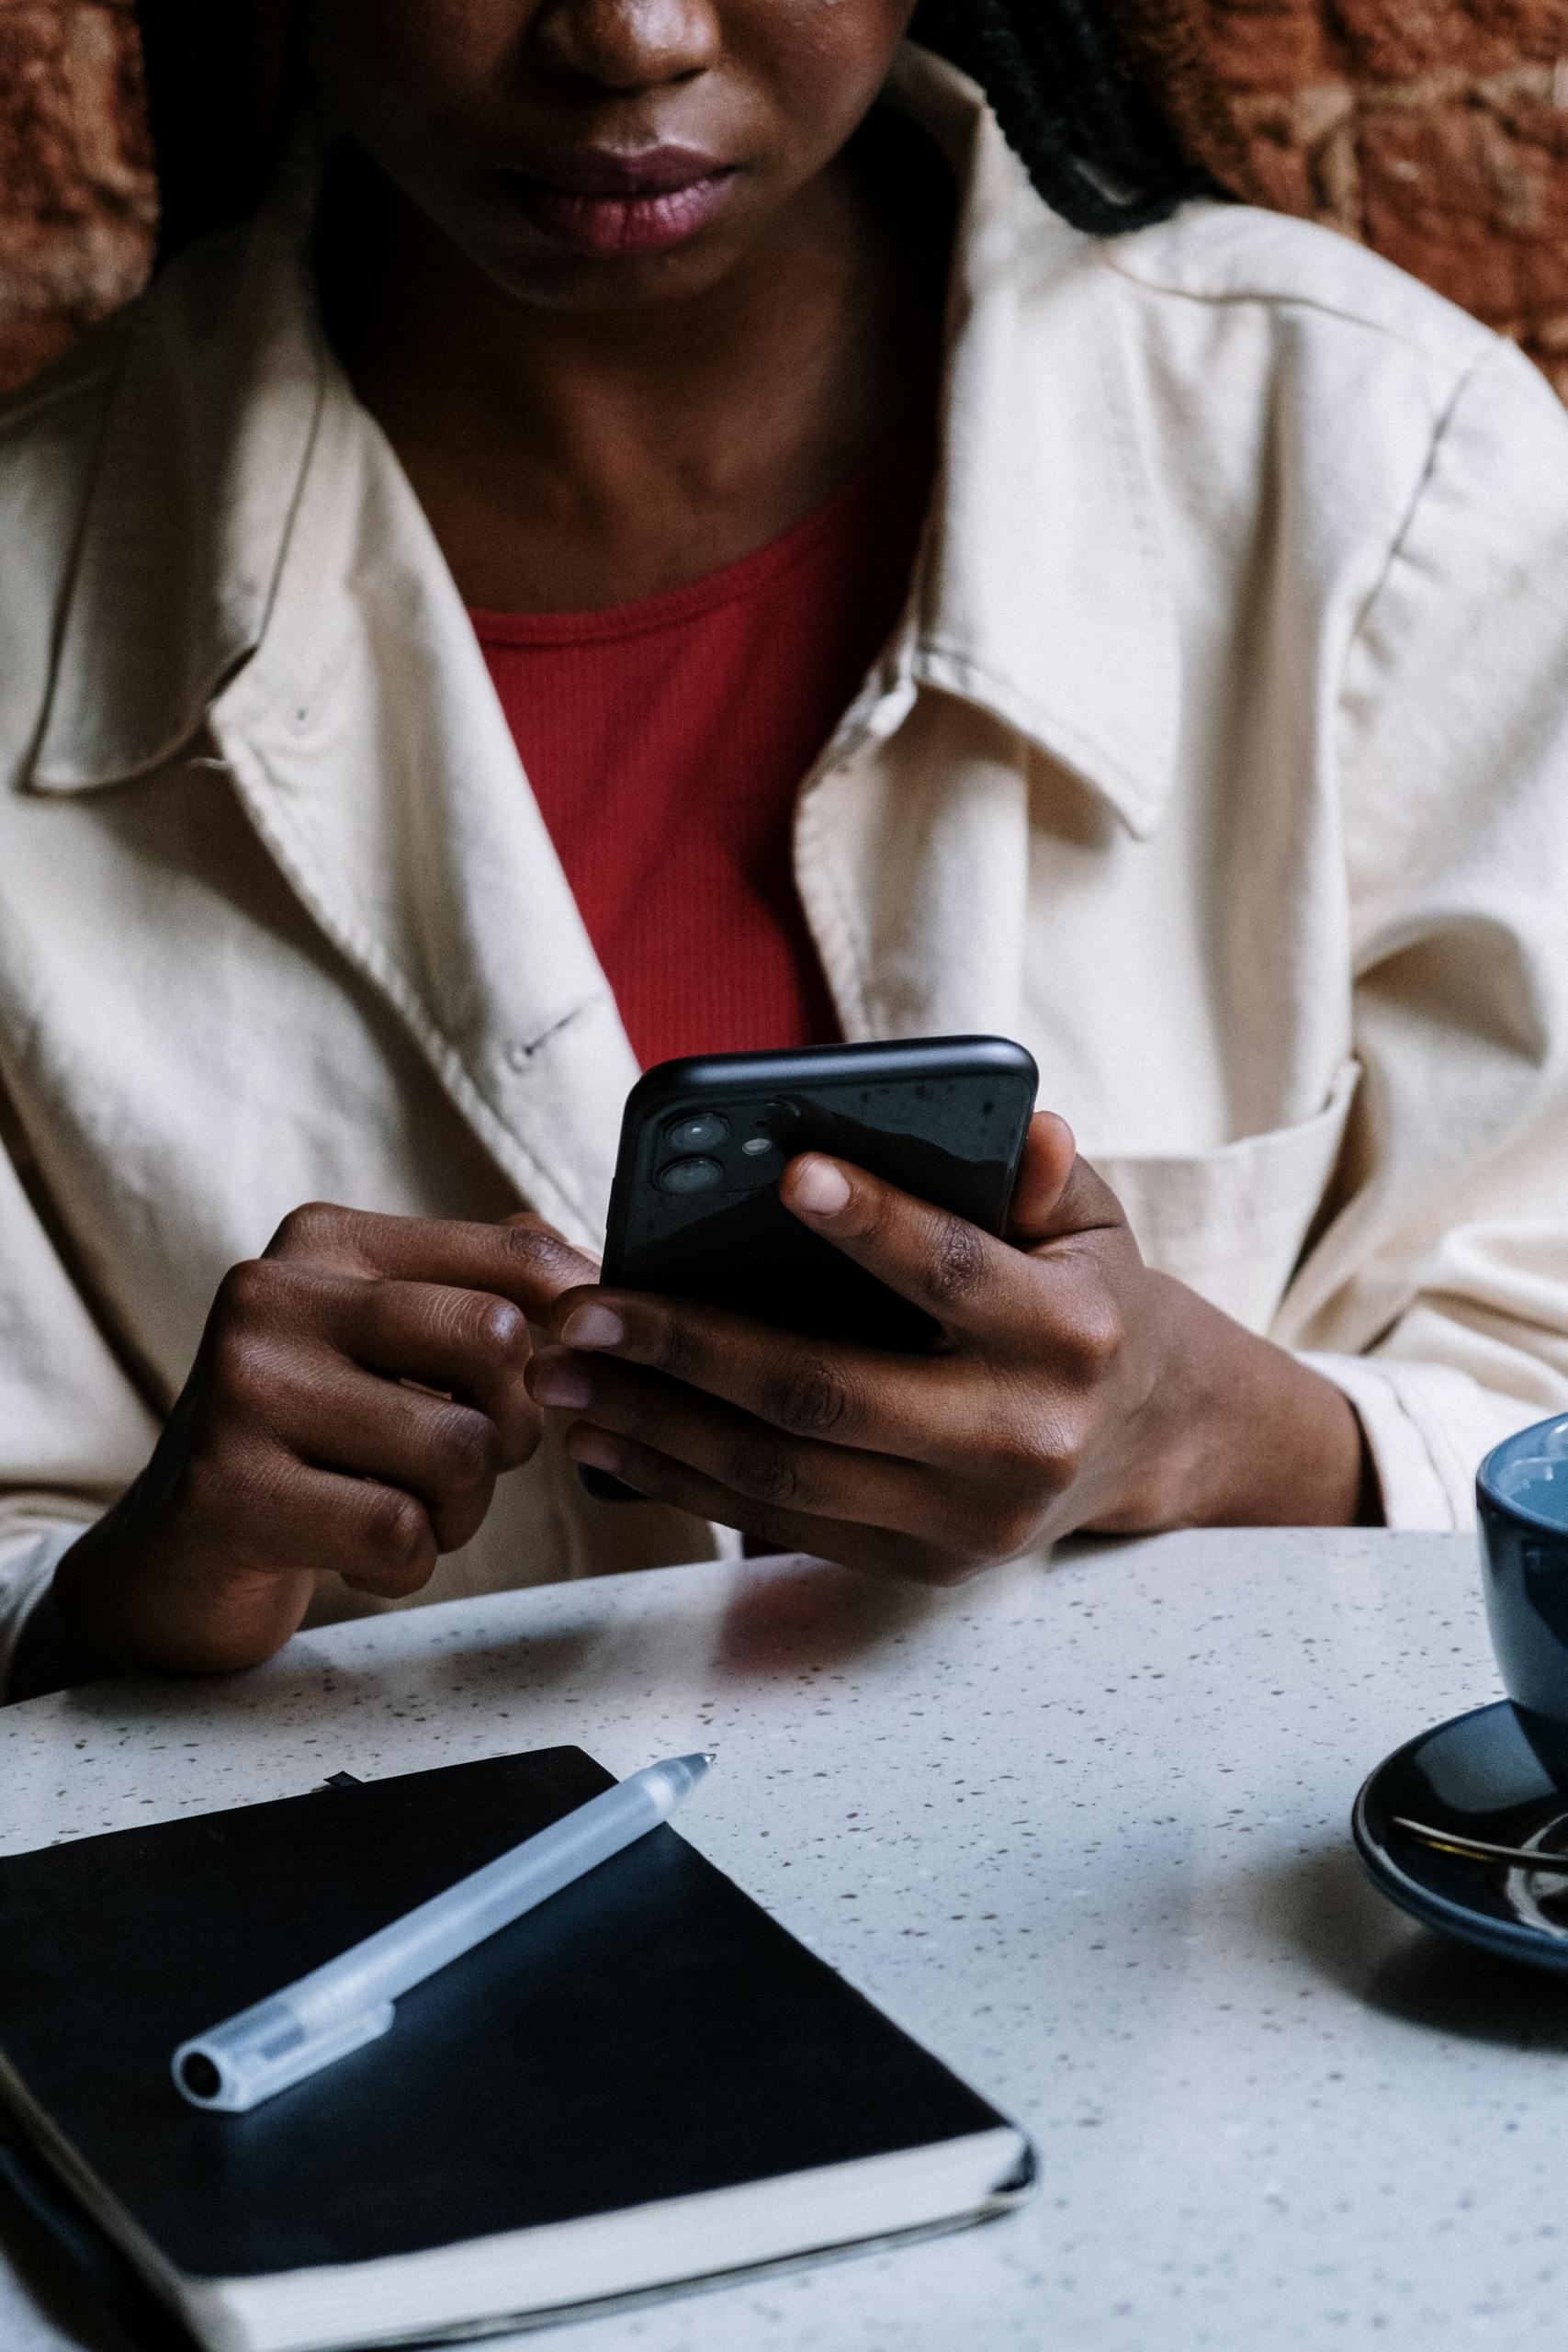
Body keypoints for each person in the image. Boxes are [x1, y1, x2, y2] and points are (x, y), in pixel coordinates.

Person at [3, 0, 1567, 1702]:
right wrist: (138, 1593)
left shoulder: (1385, 472)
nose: (632, 37)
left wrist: (1223, 1433)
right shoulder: (29, 604)